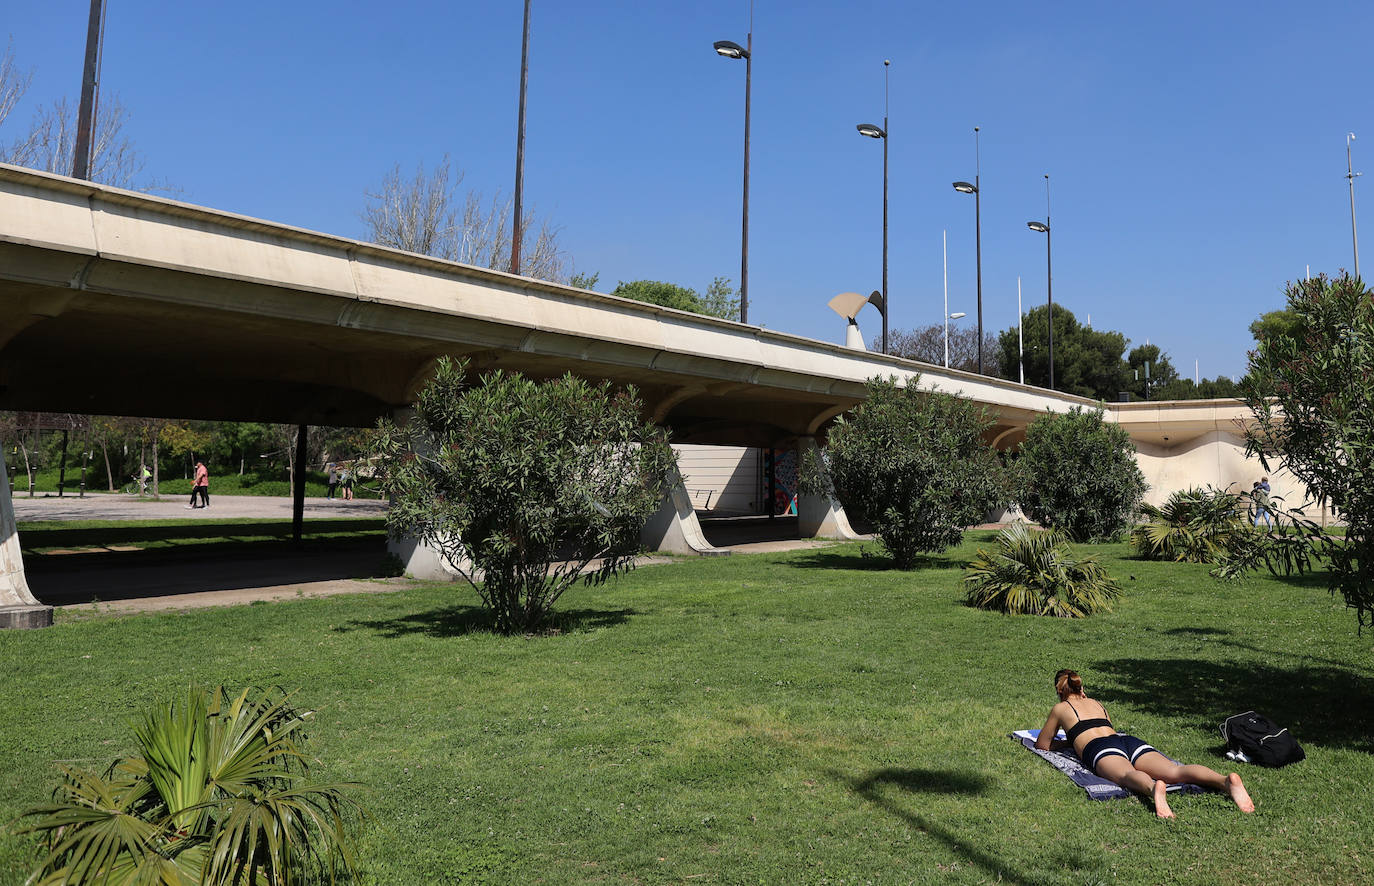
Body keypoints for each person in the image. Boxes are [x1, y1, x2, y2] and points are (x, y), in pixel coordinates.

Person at [1035, 669, 1253, 819]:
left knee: (1126, 775)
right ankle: (1225, 781)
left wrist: (1068, 744)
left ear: (1059, 691)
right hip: (1125, 740)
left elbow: (1043, 744)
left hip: (1099, 748)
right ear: (1081, 688)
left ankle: (1152, 789)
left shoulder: (1060, 709)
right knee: (1174, 770)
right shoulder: (1097, 703)